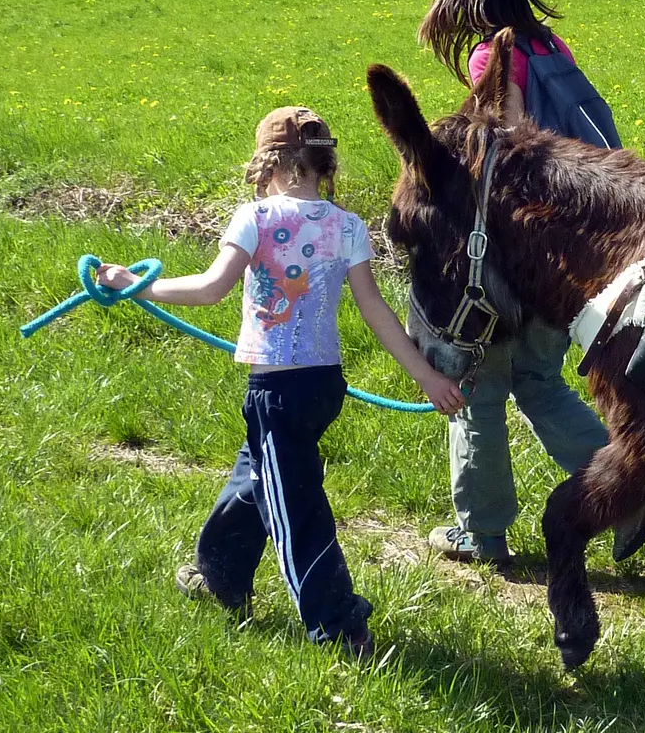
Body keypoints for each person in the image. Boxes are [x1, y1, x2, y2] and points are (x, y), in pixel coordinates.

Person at [96, 106, 467, 657]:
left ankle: (340, 625)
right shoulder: (347, 226)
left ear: (270, 164)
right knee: (256, 477)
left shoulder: (257, 218)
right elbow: (375, 311)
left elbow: (210, 288)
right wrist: (427, 377)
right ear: (322, 165)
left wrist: (139, 286)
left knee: (293, 507)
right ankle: (218, 575)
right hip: (323, 388)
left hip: (274, 391)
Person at [416, 0, 645, 566]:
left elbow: (509, 149)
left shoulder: (495, 56)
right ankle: (625, 493)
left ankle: (481, 531)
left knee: (478, 383)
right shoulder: (552, 45)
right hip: (573, 250)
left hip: (519, 254)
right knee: (540, 378)